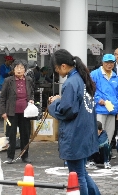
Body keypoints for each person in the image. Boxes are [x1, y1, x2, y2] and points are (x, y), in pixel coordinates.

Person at [48, 49, 100, 195]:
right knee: (82, 173)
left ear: (63, 66)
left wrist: (53, 104)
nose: (57, 72)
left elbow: (68, 111)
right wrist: (61, 100)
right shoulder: (82, 78)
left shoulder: (70, 83)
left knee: (77, 176)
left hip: (75, 134)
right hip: (86, 131)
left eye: (56, 68)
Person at [0, 59, 34, 164]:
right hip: (11, 111)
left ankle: (25, 156)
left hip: (26, 112)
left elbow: (31, 93)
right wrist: (3, 112)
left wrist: (31, 99)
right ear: (13, 69)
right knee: (11, 134)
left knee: (25, 134)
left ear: (25, 70)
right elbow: (2, 97)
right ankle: (10, 156)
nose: (19, 70)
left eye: (21, 68)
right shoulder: (8, 81)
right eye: (17, 67)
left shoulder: (29, 80)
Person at [90, 54, 118, 144]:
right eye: (107, 62)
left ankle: (106, 153)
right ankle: (96, 154)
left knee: (110, 133)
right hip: (100, 109)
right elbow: (89, 89)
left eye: (111, 63)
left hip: (112, 110)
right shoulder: (94, 74)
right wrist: (98, 99)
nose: (109, 65)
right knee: (98, 133)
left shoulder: (115, 76)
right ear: (103, 62)